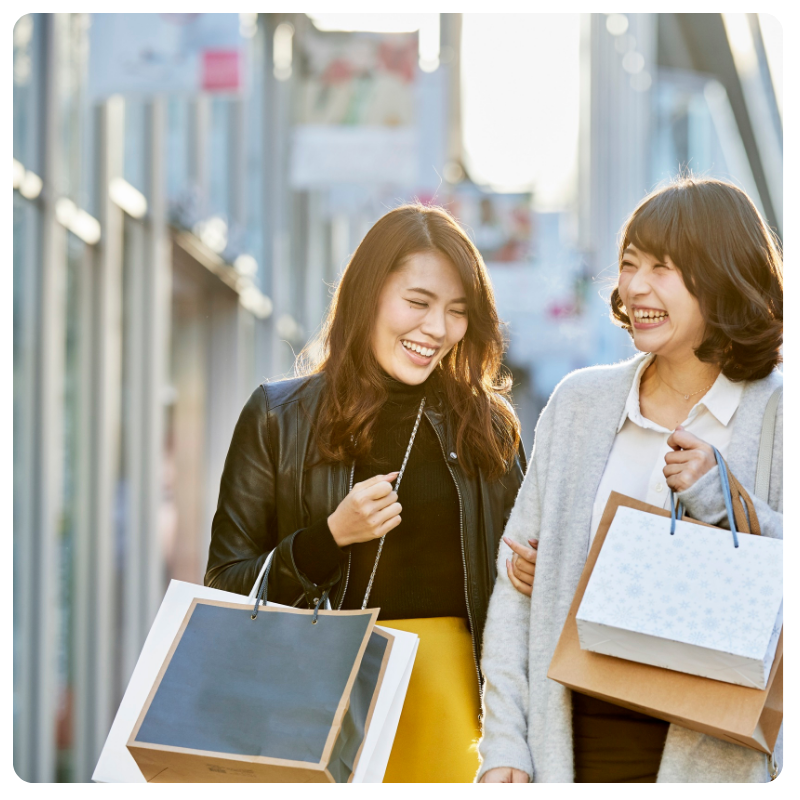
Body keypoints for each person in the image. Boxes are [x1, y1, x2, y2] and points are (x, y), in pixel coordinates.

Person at [205, 203, 526, 783]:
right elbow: (227, 586)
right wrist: (329, 539)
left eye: (457, 312)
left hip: (458, 718)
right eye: (418, 302)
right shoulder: (280, 417)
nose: (436, 329)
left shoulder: (489, 427)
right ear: (369, 293)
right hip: (313, 708)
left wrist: (531, 571)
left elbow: (519, 591)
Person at [479, 177, 784, 783]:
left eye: (664, 268)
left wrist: (724, 504)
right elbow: (517, 586)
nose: (636, 286)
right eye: (629, 263)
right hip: (576, 740)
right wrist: (506, 746)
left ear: (722, 277)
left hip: (715, 748)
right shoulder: (578, 403)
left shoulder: (773, 409)